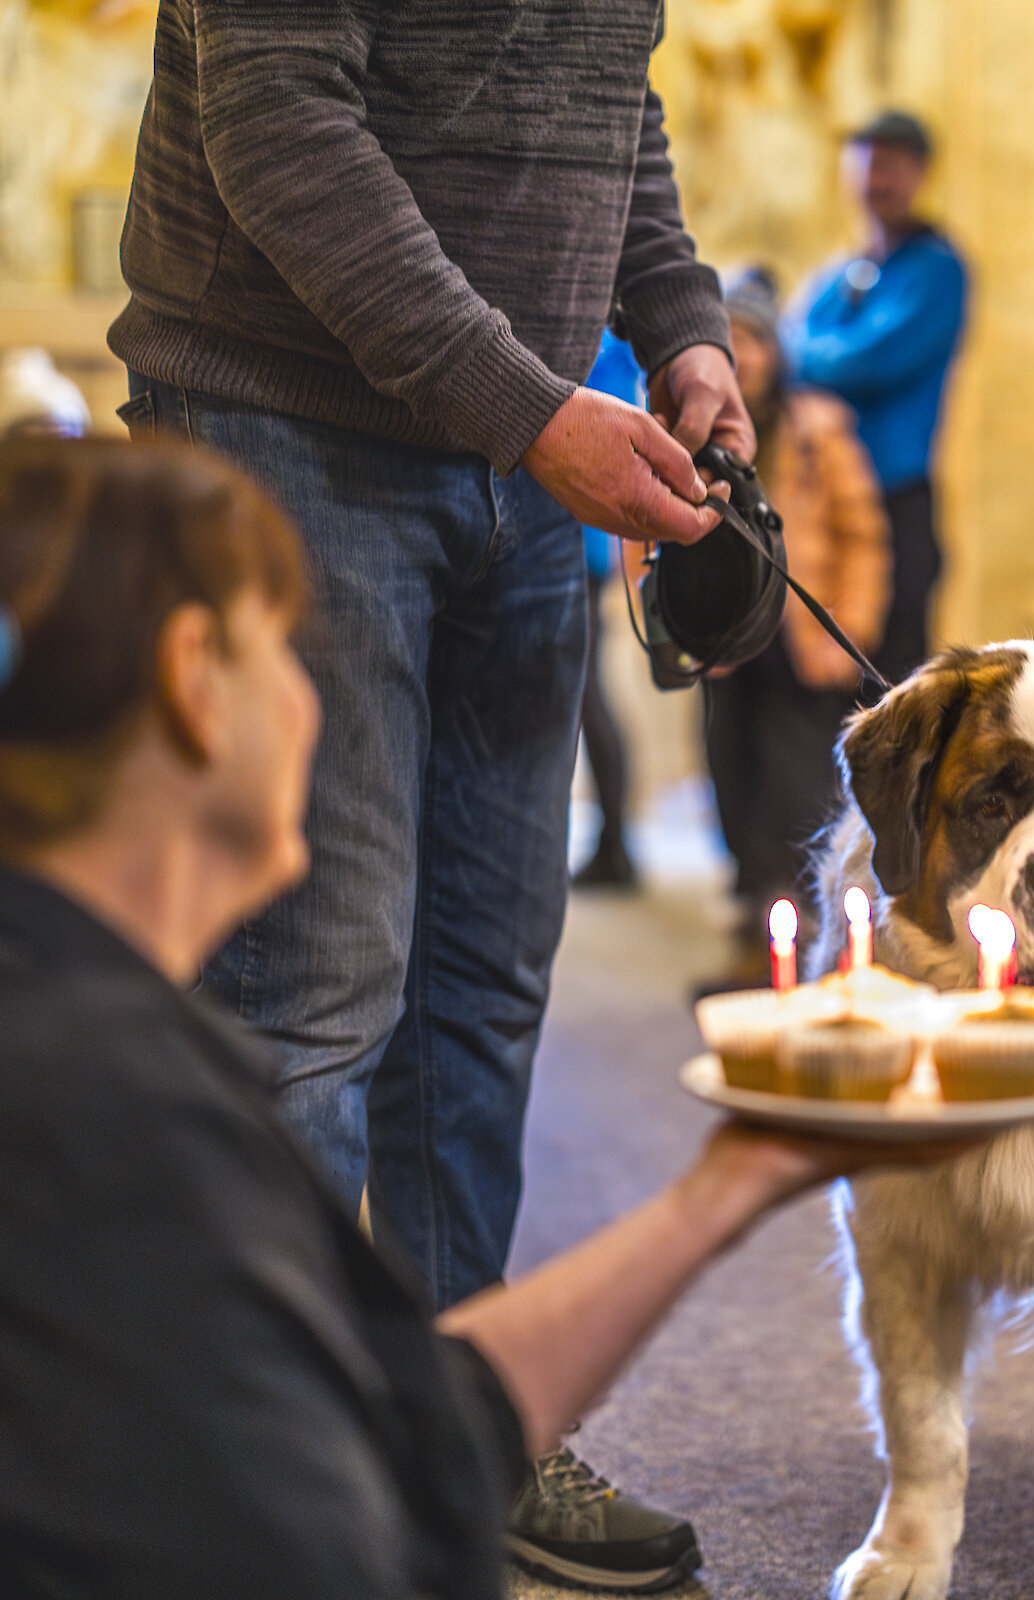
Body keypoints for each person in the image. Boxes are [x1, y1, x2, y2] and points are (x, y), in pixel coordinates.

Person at [0, 434, 975, 1600]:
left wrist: (738, 1176)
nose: (314, 700)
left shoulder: (104, 1027)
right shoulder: (100, 1104)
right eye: (286, 649)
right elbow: (339, 1543)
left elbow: (406, 1420)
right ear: (195, 678)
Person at [106, 3, 754, 1584]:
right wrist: (527, 409)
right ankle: (273, 1474)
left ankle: (460, 1421)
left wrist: (680, 324)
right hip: (290, 428)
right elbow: (283, 128)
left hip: (517, 449)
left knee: (481, 982)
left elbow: (612, 103)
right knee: (309, 991)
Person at [700, 268, 890, 991]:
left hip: (798, 648)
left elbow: (863, 532)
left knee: (795, 795)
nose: (741, 355)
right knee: (733, 790)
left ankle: (809, 954)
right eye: (726, 339)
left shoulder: (817, 427)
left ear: (774, 351)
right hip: (725, 646)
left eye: (751, 338)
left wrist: (853, 628)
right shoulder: (692, 428)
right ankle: (757, 944)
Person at [783, 110, 966, 688]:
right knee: (828, 671)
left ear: (920, 174)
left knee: (895, 678)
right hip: (829, 497)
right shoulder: (841, 275)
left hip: (896, 500)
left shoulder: (937, 271)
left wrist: (805, 356)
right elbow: (788, 350)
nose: (876, 182)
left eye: (890, 167)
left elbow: (866, 359)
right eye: (865, 168)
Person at [574, 332, 647, 892]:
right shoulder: (612, 351)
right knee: (587, 696)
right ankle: (614, 841)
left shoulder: (605, 349)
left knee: (584, 698)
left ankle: (615, 843)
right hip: (585, 543)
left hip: (577, 542)